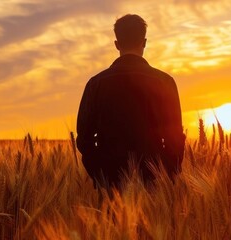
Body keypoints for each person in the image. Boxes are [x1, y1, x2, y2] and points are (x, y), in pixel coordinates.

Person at [76, 14, 185, 191]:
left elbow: (84, 139)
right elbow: (175, 139)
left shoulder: (96, 84)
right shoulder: (165, 82)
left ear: (117, 44)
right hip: (155, 186)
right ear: (144, 42)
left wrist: (101, 177)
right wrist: (165, 176)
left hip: (111, 186)